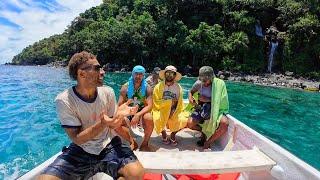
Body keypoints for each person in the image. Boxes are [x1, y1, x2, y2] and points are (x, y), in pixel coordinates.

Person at [38, 51, 144, 180]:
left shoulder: (108, 92)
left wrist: (119, 116)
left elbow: (113, 126)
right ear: (81, 73)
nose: (103, 72)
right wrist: (103, 123)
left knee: (136, 174)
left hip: (108, 144)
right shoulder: (64, 100)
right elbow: (77, 138)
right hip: (81, 148)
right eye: (98, 68)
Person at [187, 66, 229, 149]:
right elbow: (190, 92)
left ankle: (208, 141)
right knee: (190, 124)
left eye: (206, 80)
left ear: (212, 77)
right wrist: (190, 98)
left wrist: (208, 99)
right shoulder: (198, 83)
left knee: (225, 123)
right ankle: (204, 132)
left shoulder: (219, 84)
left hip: (217, 108)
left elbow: (222, 100)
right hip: (202, 107)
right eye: (202, 80)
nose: (204, 83)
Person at [117, 65, 154, 151]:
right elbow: (119, 104)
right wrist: (123, 113)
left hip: (141, 110)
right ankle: (132, 142)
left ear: (143, 75)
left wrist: (138, 115)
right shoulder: (125, 87)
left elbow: (149, 105)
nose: (138, 76)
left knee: (149, 118)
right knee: (118, 120)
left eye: (140, 74)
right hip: (128, 110)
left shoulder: (147, 88)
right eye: (136, 74)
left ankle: (145, 143)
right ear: (132, 74)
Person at [152, 65, 189, 146]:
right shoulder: (158, 87)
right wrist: (168, 103)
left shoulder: (178, 87)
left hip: (174, 109)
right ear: (165, 74)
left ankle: (173, 135)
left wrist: (172, 109)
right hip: (161, 109)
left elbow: (179, 103)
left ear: (175, 75)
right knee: (156, 118)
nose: (169, 75)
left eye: (171, 73)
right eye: (167, 73)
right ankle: (164, 133)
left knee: (184, 120)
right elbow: (156, 102)